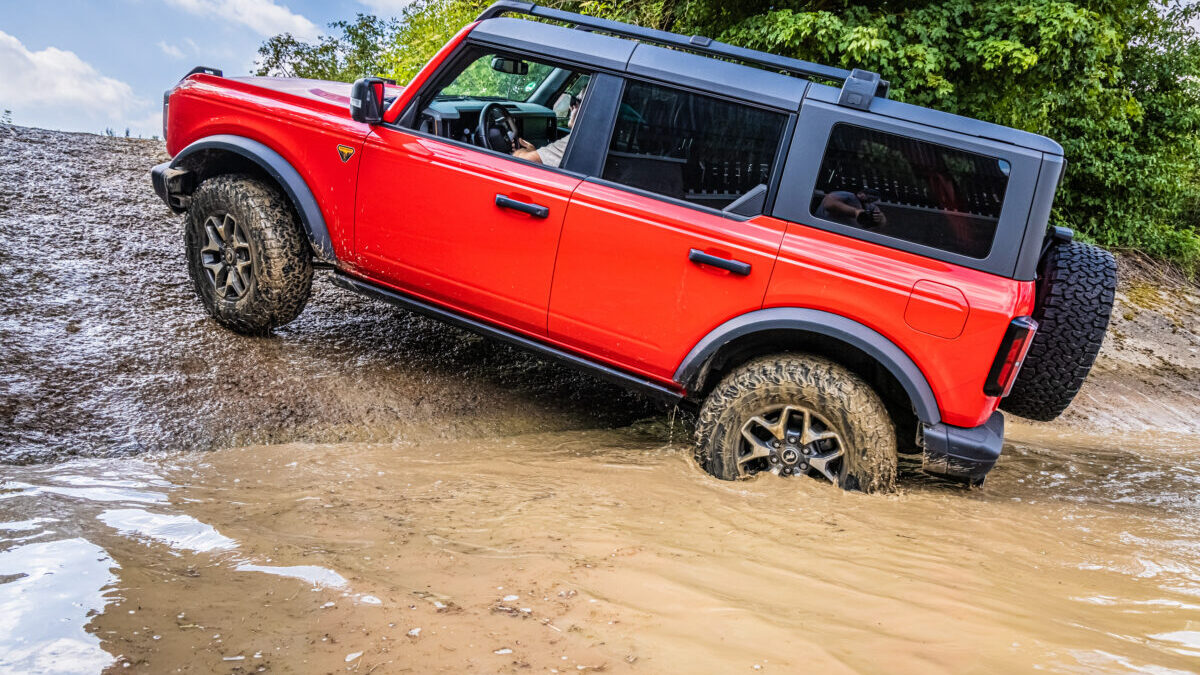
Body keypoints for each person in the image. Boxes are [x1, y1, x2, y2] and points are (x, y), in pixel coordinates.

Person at [513, 86, 583, 167]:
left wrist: (519, 152)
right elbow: (541, 160)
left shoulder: (575, 142)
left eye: (577, 101)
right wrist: (532, 151)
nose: (571, 106)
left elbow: (521, 161)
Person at [815, 187, 887, 229]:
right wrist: (855, 212)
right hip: (827, 229)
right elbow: (828, 202)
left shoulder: (870, 206)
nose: (871, 200)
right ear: (860, 193)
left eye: (874, 199)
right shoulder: (848, 196)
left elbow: (882, 221)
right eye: (869, 196)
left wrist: (880, 218)